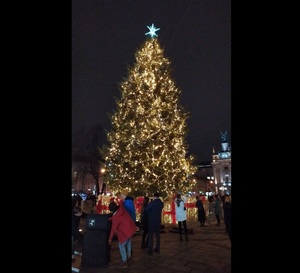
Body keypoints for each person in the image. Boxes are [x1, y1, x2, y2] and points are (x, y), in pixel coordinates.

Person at [108, 200, 136, 269]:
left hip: (126, 231)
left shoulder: (115, 218)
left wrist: (110, 239)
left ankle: (124, 261)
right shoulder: (121, 209)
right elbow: (119, 217)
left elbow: (113, 229)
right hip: (131, 228)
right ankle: (128, 257)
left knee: (121, 245)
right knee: (128, 242)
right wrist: (112, 218)